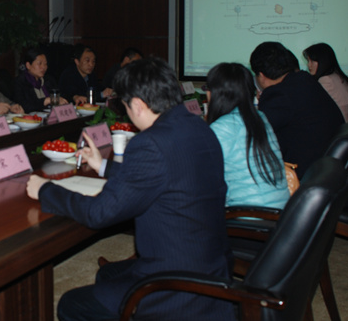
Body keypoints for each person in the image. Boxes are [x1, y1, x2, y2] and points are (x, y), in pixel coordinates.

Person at [26, 57, 233, 321]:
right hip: (210, 263)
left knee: (72, 303)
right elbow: (161, 177)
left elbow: (99, 213)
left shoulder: (150, 142)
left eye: (125, 107)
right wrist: (103, 166)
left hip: (175, 284)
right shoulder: (198, 127)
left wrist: (46, 190)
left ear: (137, 105)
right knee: (107, 274)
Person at [250, 41, 344, 178]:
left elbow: (254, 134)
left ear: (261, 75)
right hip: (326, 168)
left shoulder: (278, 95)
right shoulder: (304, 80)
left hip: (303, 174)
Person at [206, 63, 289, 209]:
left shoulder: (223, 128)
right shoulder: (260, 118)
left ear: (215, 93)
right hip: (280, 211)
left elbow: (201, 174)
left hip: (248, 215)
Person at [303, 43, 348, 125]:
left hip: (337, 128)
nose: (309, 65)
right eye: (308, 61)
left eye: (312, 61)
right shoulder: (337, 76)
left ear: (323, 61)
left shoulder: (326, 80)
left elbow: (311, 109)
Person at [13, 48, 68, 112]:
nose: (43, 67)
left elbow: (61, 96)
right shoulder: (19, 82)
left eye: (45, 64)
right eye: (39, 64)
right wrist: (45, 101)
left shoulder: (49, 80)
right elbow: (23, 105)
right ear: (28, 65)